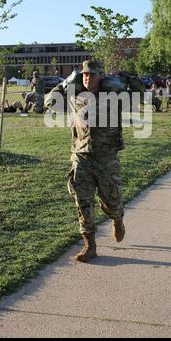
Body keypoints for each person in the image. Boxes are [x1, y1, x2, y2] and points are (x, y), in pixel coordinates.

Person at [46, 60, 144, 262]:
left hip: (106, 157)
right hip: (81, 156)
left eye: (92, 74)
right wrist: (66, 82)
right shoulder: (75, 96)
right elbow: (50, 102)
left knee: (111, 199)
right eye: (84, 75)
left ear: (101, 77)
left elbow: (140, 97)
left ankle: (117, 219)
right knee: (82, 201)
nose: (87, 78)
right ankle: (89, 245)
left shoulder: (114, 96)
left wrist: (130, 78)